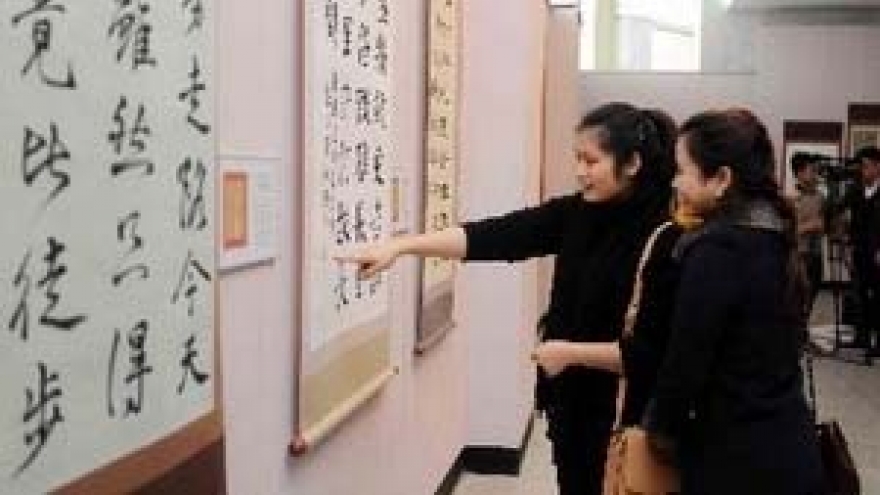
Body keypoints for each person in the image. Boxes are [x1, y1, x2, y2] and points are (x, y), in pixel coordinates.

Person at [336, 102, 677, 495]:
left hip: (624, 412)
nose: (580, 172)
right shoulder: (578, 212)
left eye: (591, 160)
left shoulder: (665, 235)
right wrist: (402, 246)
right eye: (577, 159)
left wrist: (567, 352)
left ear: (632, 163)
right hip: (570, 404)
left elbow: (655, 349)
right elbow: (496, 235)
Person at [645, 108, 825, 494]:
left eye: (683, 170)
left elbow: (685, 362)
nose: (675, 182)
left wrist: (659, 430)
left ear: (722, 178)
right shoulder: (775, 235)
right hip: (790, 449)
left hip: (735, 460)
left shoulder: (717, 249)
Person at [846, 146, 880, 357]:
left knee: (878, 297)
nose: (863, 171)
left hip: (878, 252)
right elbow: (853, 223)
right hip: (859, 250)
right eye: (861, 167)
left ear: (878, 167)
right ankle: (862, 337)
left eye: (866, 167)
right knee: (859, 296)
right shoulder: (856, 191)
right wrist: (849, 247)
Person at [790, 152, 826, 315]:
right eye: (811, 170)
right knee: (798, 295)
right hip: (799, 255)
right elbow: (786, 231)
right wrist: (809, 226)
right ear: (799, 173)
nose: (814, 174)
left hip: (817, 253)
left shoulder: (821, 197)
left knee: (813, 293)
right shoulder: (790, 199)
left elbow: (827, 225)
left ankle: (803, 328)